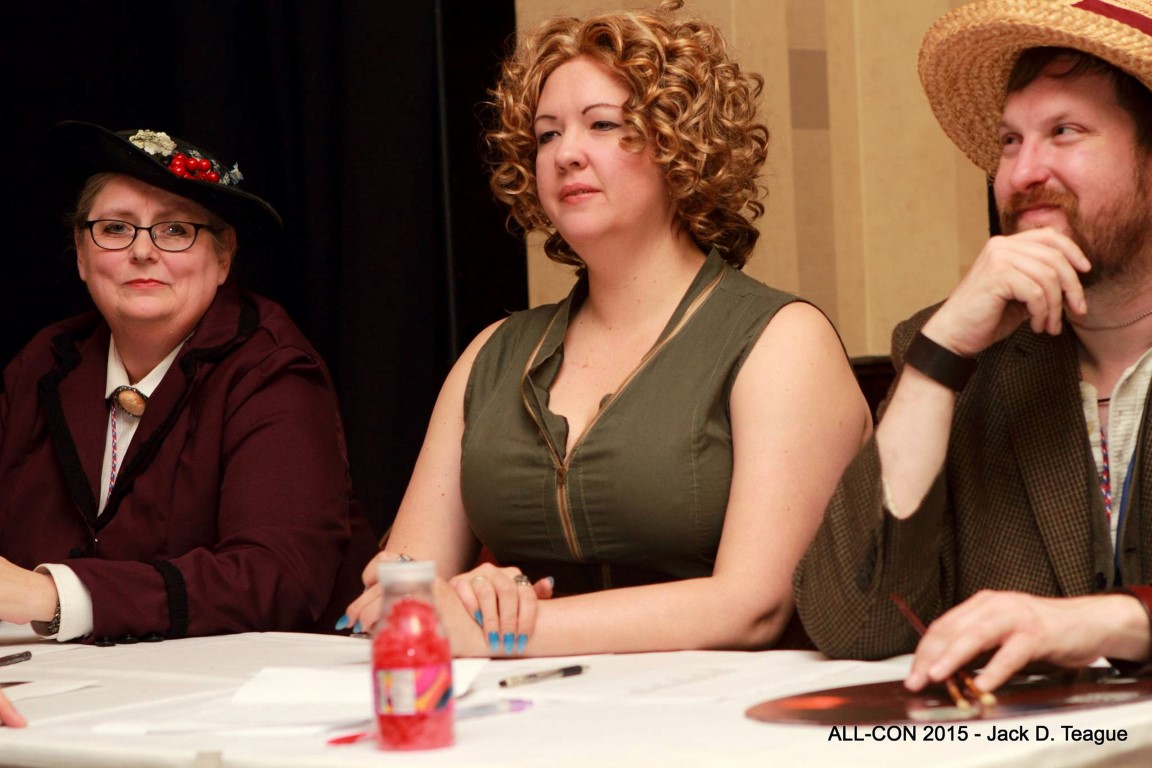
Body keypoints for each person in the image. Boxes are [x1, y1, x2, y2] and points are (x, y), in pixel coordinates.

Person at [343, 0, 872, 657]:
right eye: (546, 135)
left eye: (602, 124)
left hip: (719, 707)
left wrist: (497, 631)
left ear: (679, 144)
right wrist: (461, 593)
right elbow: (402, 586)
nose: (566, 154)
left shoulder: (782, 341)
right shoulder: (491, 356)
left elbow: (752, 607)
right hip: (526, 704)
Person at [794, 0, 1152, 695]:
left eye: (1064, 131)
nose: (1022, 173)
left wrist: (1116, 621)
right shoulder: (964, 355)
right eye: (1010, 141)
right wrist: (940, 356)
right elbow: (855, 625)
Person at [0, 121, 376, 652]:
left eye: (175, 230)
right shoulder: (43, 362)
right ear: (82, 255)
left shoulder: (273, 369)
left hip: (253, 686)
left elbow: (277, 576)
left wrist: (50, 595)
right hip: (62, 681)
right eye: (116, 228)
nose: (142, 251)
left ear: (223, 258)